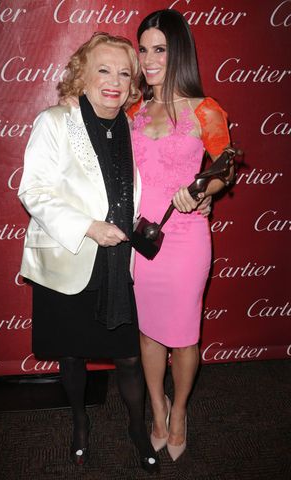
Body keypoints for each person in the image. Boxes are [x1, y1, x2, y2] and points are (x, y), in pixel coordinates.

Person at [18, 32, 160, 473]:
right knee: (72, 355)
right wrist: (88, 227)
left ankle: (138, 428)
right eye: (103, 69)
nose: (114, 81)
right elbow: (33, 190)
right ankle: (80, 423)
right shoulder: (54, 121)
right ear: (82, 73)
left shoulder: (135, 130)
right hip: (71, 257)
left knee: (129, 357)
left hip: (120, 265)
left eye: (124, 72)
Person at [131, 9, 233, 461]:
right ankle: (158, 407)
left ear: (179, 54)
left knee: (184, 336)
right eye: (144, 49)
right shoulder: (133, 110)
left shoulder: (206, 110)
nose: (149, 59)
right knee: (150, 333)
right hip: (141, 239)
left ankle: (180, 412)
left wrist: (204, 191)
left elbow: (224, 168)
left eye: (160, 49)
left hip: (187, 236)